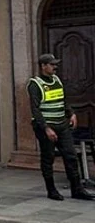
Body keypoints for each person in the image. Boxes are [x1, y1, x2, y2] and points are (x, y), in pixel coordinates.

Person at [27, 54, 95, 200]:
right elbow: (35, 109)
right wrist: (46, 128)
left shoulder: (57, 80)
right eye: (52, 64)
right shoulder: (35, 84)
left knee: (71, 156)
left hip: (62, 124)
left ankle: (77, 189)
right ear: (43, 66)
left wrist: (71, 113)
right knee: (48, 158)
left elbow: (63, 99)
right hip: (46, 126)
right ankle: (51, 190)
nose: (55, 67)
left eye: (55, 64)